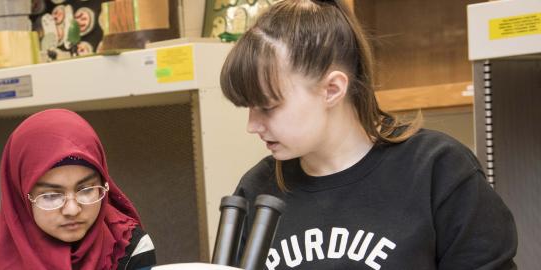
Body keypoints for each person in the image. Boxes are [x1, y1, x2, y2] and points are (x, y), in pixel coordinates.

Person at [220, 1, 517, 269]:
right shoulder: (256, 189)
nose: (252, 125)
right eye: (248, 107)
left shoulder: (438, 171)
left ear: (332, 89)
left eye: (267, 107)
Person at [0, 109, 156, 270]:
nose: (72, 210)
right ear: (21, 197)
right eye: (51, 195)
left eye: (86, 189)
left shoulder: (129, 246)